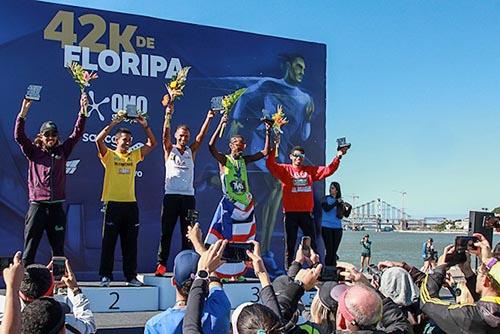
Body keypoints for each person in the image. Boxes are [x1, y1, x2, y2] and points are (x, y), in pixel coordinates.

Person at [14, 94, 88, 266]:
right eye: (47, 134)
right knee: (30, 248)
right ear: (41, 136)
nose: (51, 137)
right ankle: (25, 284)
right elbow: (19, 136)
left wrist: (83, 111)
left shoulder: (62, 151)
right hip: (37, 207)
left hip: (56, 208)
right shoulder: (33, 151)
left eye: (54, 134)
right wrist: (24, 111)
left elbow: (77, 133)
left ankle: (58, 283)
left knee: (58, 250)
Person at [154, 96, 216, 276]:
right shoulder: (169, 149)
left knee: (188, 234)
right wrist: (168, 115)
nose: (184, 138)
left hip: (188, 198)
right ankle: (161, 265)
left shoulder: (191, 151)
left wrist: (209, 119)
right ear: (176, 136)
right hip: (171, 196)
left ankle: (187, 266)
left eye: (186, 136)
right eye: (181, 136)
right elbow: (164, 135)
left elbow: (201, 137)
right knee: (166, 232)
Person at [205, 113, 270, 277]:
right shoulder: (224, 160)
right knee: (227, 240)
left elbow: (265, 152)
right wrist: (221, 124)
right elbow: (211, 146)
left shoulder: (244, 160)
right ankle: (221, 273)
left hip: (245, 206)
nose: (239, 148)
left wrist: (269, 130)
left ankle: (237, 273)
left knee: (243, 240)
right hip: (230, 205)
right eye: (236, 145)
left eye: (241, 145)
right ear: (230, 145)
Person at [95, 114, 157, 287]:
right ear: (116, 141)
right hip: (112, 204)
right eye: (124, 139)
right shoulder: (109, 156)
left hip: (131, 205)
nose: (127, 142)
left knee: (130, 244)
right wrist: (113, 122)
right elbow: (98, 141)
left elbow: (152, 144)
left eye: (129, 140)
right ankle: (105, 276)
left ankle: (130, 277)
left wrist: (145, 126)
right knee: (109, 243)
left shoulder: (134, 156)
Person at [266, 144, 347, 268]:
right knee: (291, 243)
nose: (299, 158)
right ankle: (289, 270)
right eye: (296, 156)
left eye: (301, 156)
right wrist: (275, 147)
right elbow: (270, 165)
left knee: (312, 243)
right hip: (290, 213)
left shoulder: (309, 171)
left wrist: (338, 156)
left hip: (306, 214)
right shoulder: (285, 170)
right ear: (291, 157)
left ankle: (316, 268)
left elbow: (328, 170)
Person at [145, 223, 231, 333]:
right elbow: (214, 280)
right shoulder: (220, 307)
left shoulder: (155, 325)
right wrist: (198, 243)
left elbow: (212, 278)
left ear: (173, 282)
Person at [418, 233, 500, 333]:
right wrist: (470, 271)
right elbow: (488, 302)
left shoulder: (468, 316)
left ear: (485, 281)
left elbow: (427, 302)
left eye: (478, 272)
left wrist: (439, 268)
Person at [321, 181, 351, 266]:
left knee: (334, 252)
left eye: (333, 188)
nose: (330, 189)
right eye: (330, 187)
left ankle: (333, 271)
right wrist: (336, 202)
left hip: (337, 228)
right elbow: (326, 208)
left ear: (337, 190)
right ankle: (327, 270)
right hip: (326, 227)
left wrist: (349, 208)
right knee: (329, 250)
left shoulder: (340, 202)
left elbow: (346, 215)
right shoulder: (325, 198)